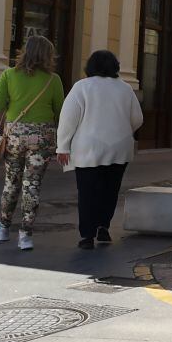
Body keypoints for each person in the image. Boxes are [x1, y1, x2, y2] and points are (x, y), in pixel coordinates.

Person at [56, 51, 143, 249]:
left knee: (87, 192)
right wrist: (122, 130)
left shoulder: (82, 87)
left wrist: (63, 146)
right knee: (110, 190)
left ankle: (87, 236)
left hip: (89, 149)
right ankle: (103, 227)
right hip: (120, 148)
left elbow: (68, 119)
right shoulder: (125, 89)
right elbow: (138, 119)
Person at [0, 36, 65, 251]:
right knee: (32, 186)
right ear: (47, 56)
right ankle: (25, 235)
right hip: (42, 138)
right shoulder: (53, 80)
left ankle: (3, 227)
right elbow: (61, 112)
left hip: (15, 136)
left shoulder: (8, 75)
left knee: (11, 182)